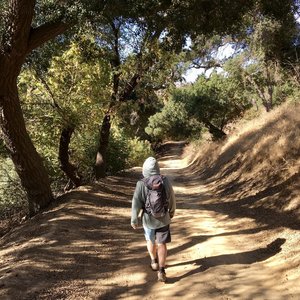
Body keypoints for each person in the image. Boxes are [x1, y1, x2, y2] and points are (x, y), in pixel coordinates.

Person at [131, 157, 176, 282]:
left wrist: (134, 219)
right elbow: (171, 198)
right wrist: (171, 213)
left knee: (150, 241)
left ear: (144, 169)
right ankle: (162, 270)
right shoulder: (165, 181)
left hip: (148, 220)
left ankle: (154, 262)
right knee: (162, 244)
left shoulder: (141, 183)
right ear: (157, 168)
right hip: (163, 218)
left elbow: (136, 202)